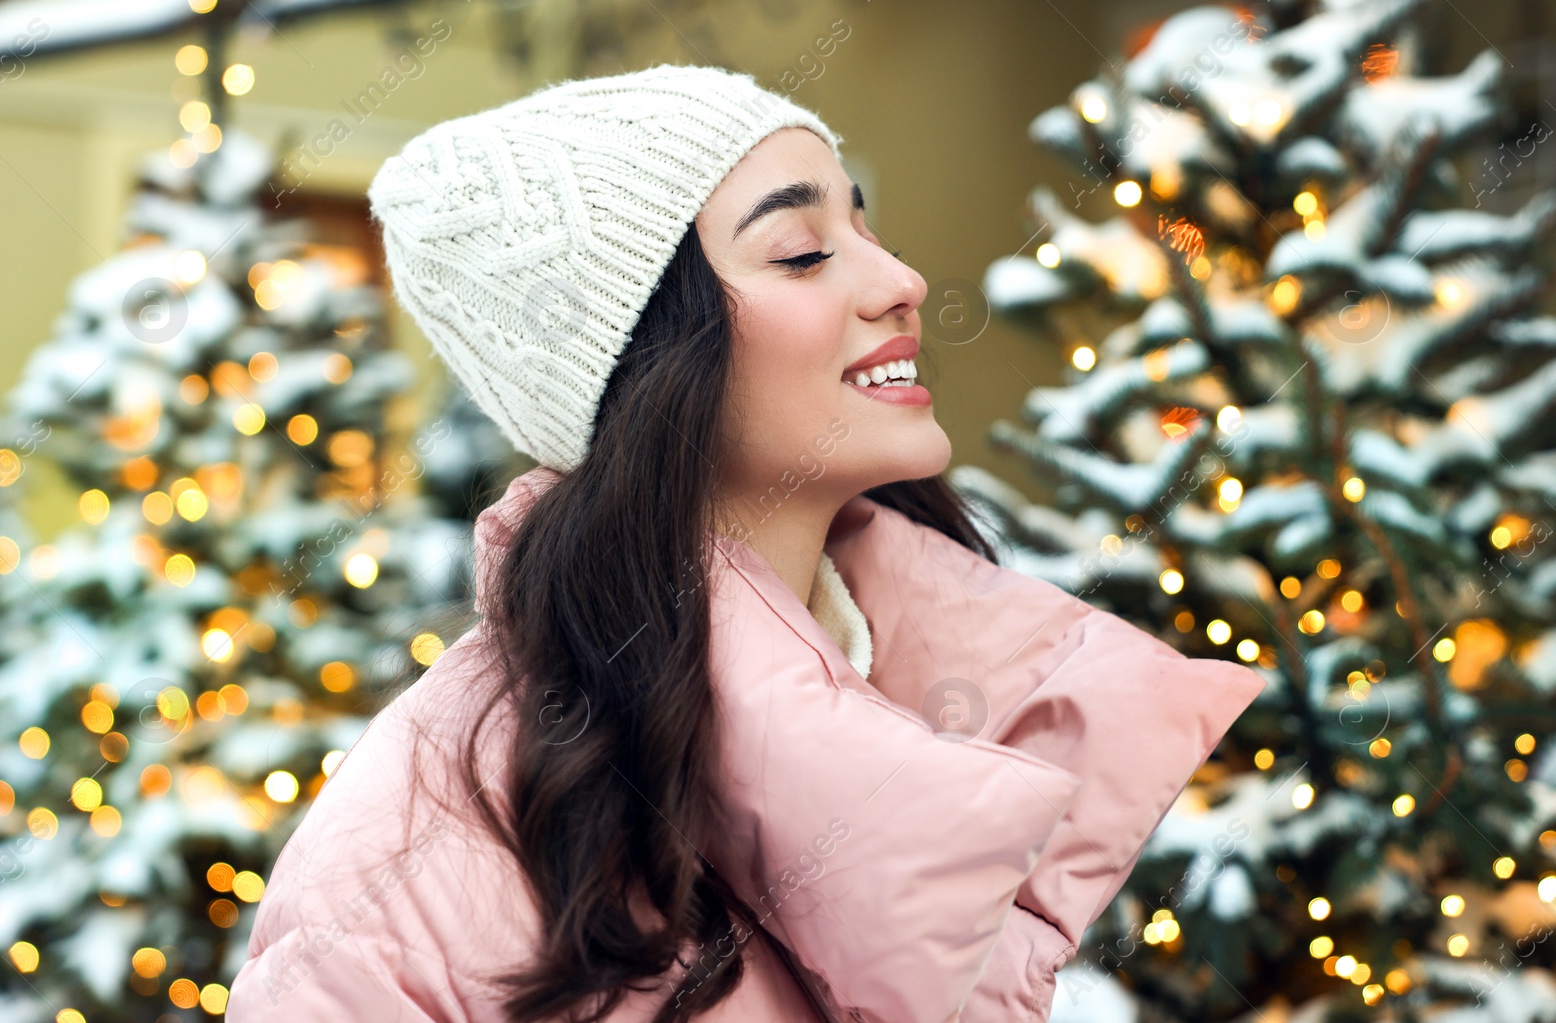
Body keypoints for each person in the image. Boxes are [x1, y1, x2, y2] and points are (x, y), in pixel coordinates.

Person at [226, 63, 1264, 1023]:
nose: (901, 279)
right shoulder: (402, 873)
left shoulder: (954, 700)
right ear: (643, 360)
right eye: (801, 251)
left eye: (864, 226)